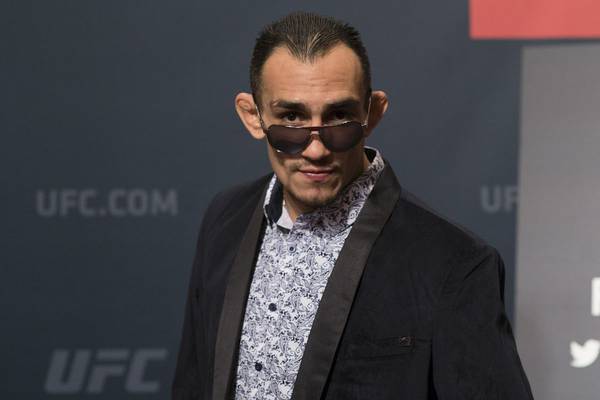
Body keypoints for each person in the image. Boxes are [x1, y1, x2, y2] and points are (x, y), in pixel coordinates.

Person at [172, 11, 534, 400]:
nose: (316, 149)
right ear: (253, 116)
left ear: (371, 114)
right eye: (291, 119)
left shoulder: (453, 264)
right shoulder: (225, 218)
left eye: (339, 118)